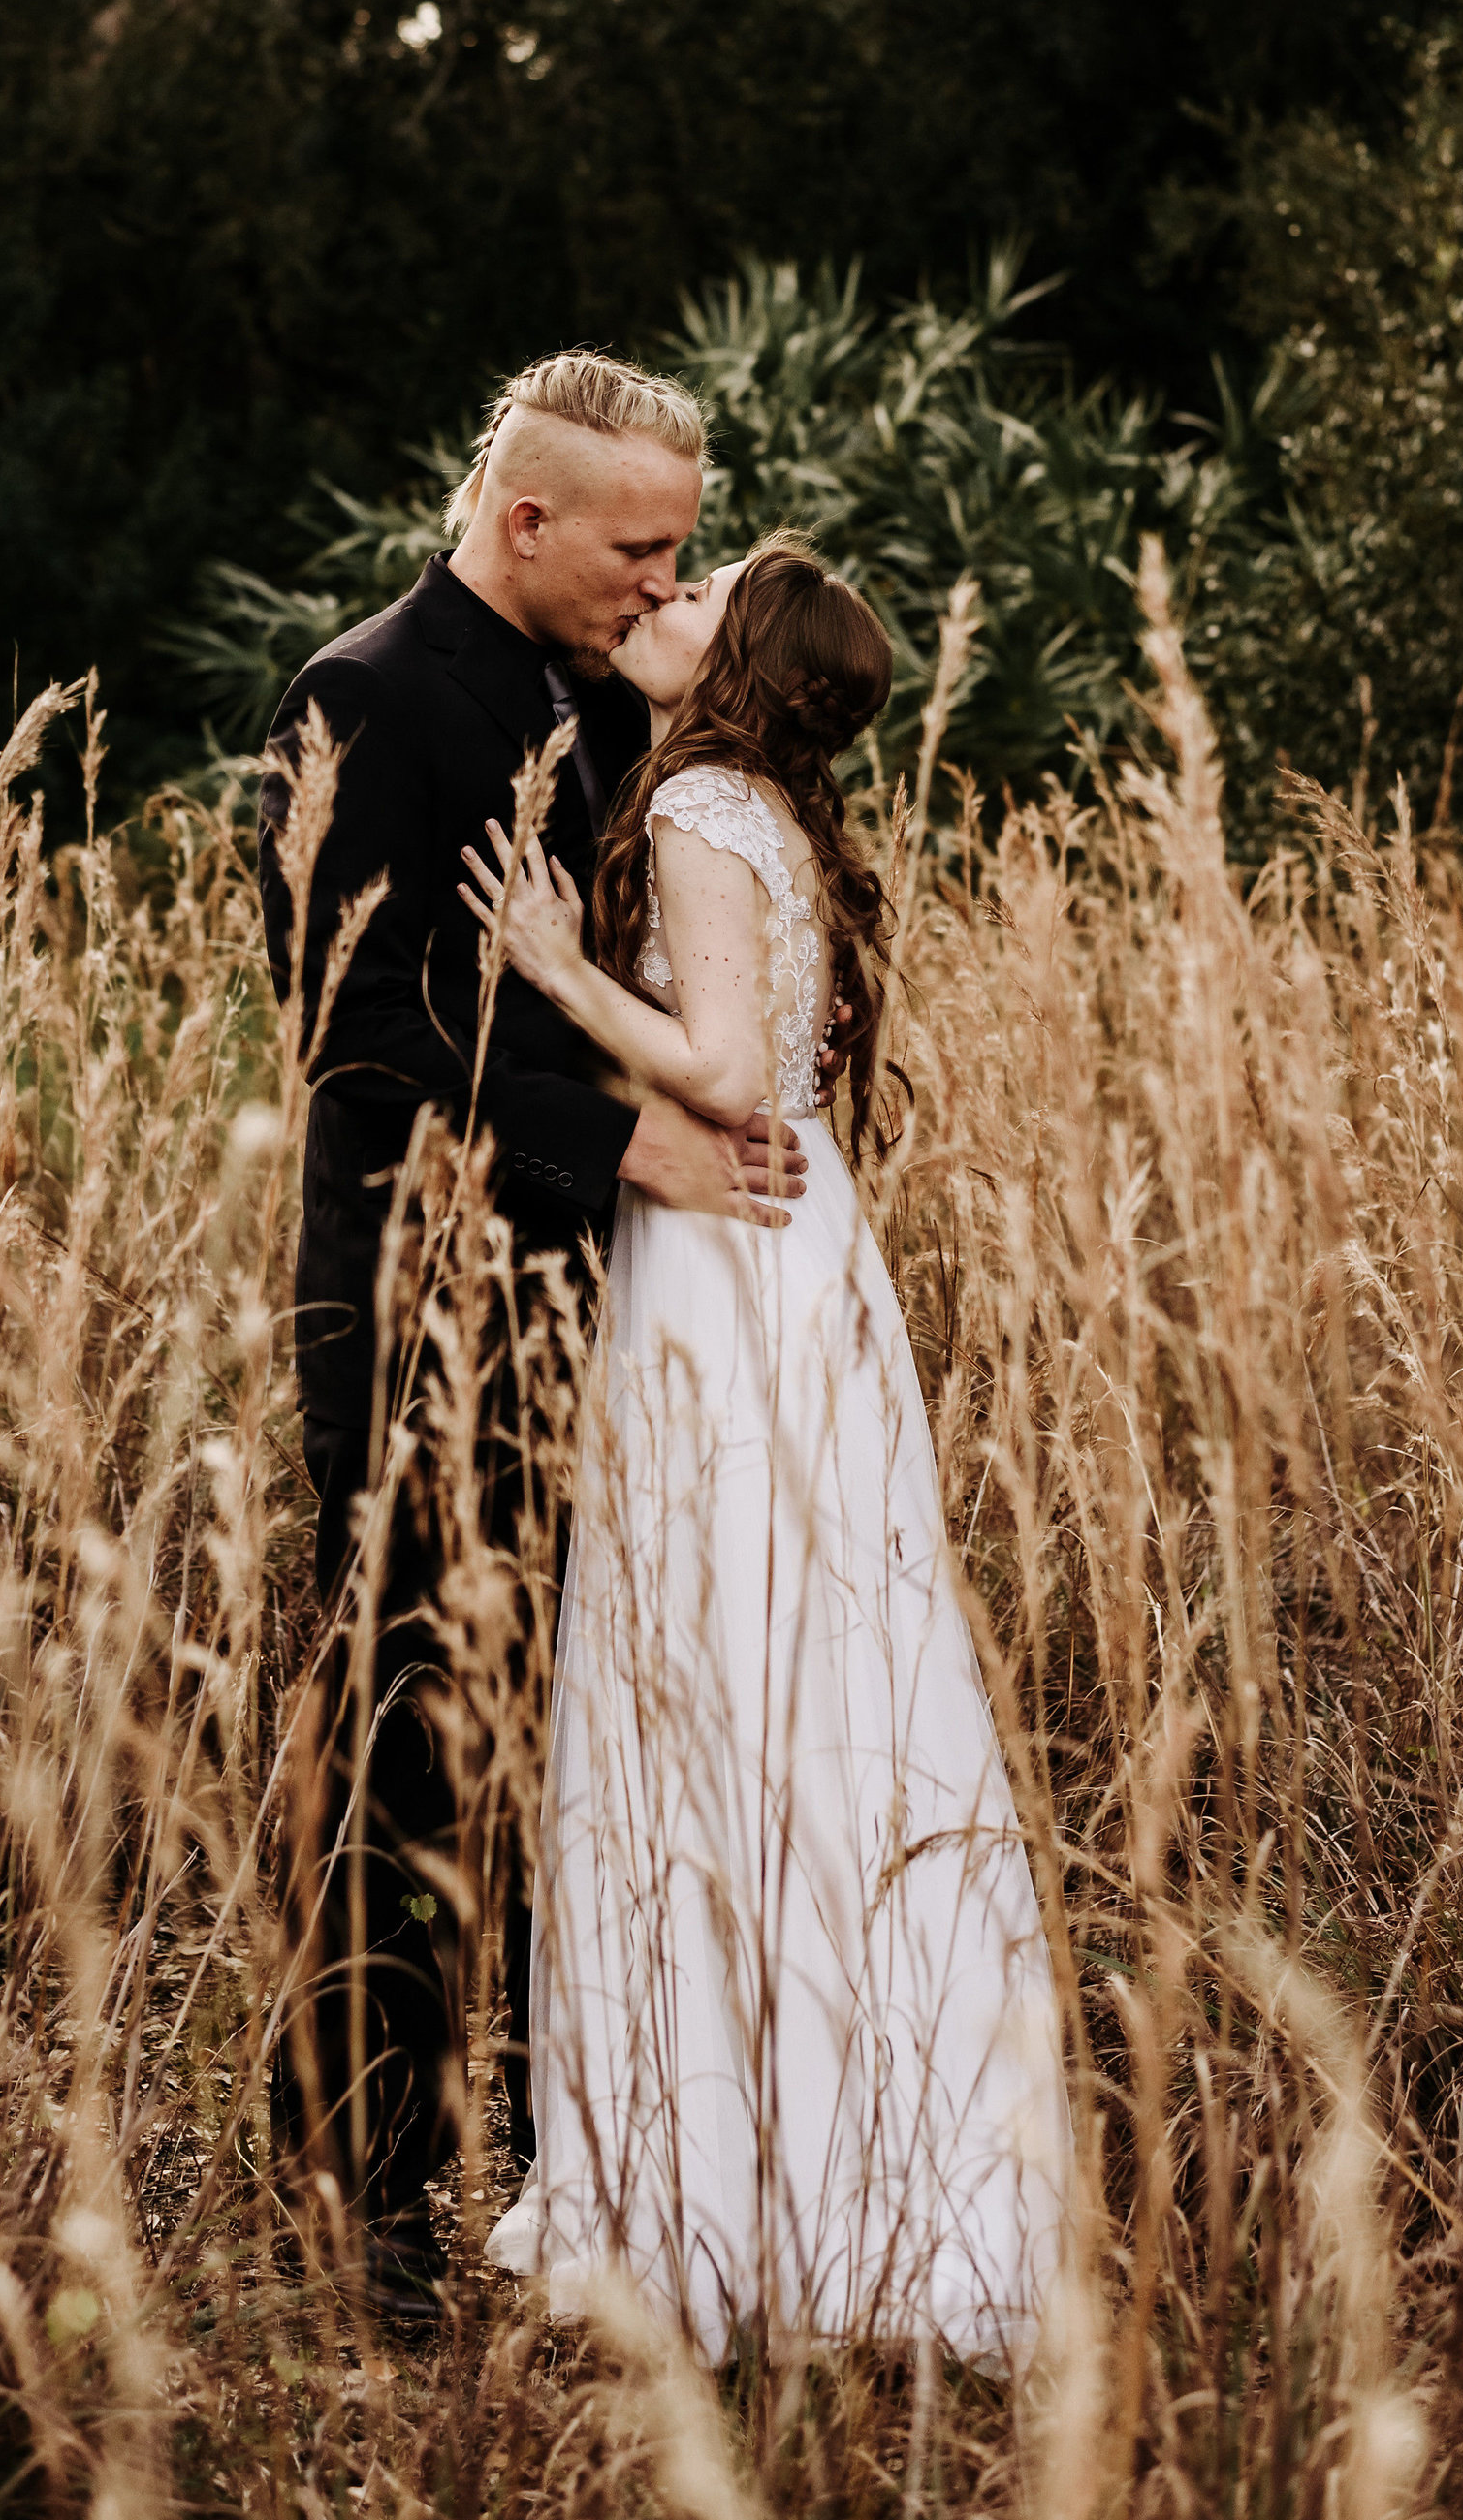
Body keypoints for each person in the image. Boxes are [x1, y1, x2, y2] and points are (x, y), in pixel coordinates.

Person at [463, 538, 1070, 2361]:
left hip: (726, 1265)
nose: (674, 585)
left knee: (722, 1674)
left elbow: (728, 1070)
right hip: (790, 1259)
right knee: (820, 1686)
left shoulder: (711, 804)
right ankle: (828, 2161)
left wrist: (563, 970)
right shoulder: (759, 806)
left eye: (707, 582)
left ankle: (733, 2197)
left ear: (745, 662)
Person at [257, 354, 810, 2324]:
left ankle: (563, 2149)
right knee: (417, 1739)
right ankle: (357, 2192)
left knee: (568, 1737)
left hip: (598, 1293)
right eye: (640, 551)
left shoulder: (604, 700)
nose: (669, 588)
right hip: (420, 1291)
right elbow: (361, 1029)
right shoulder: (368, 694)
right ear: (522, 519)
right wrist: (629, 1135)